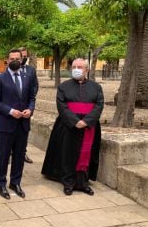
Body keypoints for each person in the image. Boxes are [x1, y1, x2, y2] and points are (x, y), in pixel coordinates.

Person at [42, 58, 104, 196]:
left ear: (86, 69)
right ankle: (68, 182)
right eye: (74, 66)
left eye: (80, 67)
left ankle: (83, 183)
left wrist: (86, 121)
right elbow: (61, 106)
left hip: (89, 126)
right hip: (68, 125)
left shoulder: (96, 87)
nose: (76, 69)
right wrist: (75, 121)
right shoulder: (64, 86)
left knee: (86, 154)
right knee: (68, 153)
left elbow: (99, 105)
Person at [0, 48, 36, 199]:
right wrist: (10, 111)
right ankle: (1, 183)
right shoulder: (0, 78)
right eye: (12, 58)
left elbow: (31, 98)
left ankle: (15, 182)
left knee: (19, 154)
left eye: (18, 58)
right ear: (7, 60)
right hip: (6, 123)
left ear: (22, 60)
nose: (15, 60)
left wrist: (30, 109)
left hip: (23, 123)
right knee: (3, 155)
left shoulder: (27, 77)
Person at [19, 47, 39, 164]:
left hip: (27, 106)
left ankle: (23, 152)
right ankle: (11, 152)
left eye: (25, 56)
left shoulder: (31, 70)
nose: (24, 58)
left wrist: (30, 98)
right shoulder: (11, 70)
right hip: (14, 106)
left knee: (25, 130)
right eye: (22, 55)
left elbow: (35, 85)